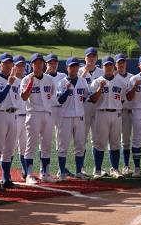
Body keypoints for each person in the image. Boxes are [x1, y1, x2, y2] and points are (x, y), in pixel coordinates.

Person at [20, 53, 58, 185]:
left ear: (43, 63)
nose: (38, 64)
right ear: (31, 65)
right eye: (35, 62)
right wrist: (31, 83)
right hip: (33, 114)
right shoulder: (26, 79)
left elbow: (51, 93)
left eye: (40, 62)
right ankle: (29, 175)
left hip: (47, 114)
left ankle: (45, 174)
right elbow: (24, 97)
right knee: (31, 145)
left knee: (47, 145)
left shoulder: (48, 79)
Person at [89, 56, 127, 179]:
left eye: (111, 65)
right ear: (102, 67)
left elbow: (122, 99)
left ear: (113, 66)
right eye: (106, 65)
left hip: (116, 113)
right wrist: (100, 87)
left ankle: (114, 169)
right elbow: (94, 99)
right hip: (101, 112)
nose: (109, 67)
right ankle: (98, 170)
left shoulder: (120, 82)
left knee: (115, 142)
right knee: (99, 143)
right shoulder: (96, 81)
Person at [0, 53, 21, 192]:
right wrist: (9, 84)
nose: (8, 65)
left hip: (13, 114)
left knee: (9, 150)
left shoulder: (15, 80)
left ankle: (6, 179)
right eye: (5, 62)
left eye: (10, 62)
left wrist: (12, 82)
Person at [55, 57, 90, 180]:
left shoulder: (82, 82)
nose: (74, 68)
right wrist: (67, 90)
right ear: (67, 68)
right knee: (63, 145)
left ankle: (79, 172)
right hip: (65, 116)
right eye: (72, 66)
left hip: (79, 116)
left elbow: (85, 96)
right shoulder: (61, 82)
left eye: (76, 66)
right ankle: (62, 173)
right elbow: (60, 100)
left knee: (80, 145)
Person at [81, 47, 104, 172]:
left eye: (93, 56)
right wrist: (84, 72)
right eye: (89, 56)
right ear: (84, 58)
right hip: (84, 105)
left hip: (98, 106)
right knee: (82, 137)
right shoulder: (78, 71)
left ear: (96, 58)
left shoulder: (101, 72)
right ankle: (81, 167)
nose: (91, 58)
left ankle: (97, 168)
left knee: (97, 137)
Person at [45, 53, 66, 177]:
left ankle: (61, 168)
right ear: (46, 64)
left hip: (61, 109)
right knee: (46, 139)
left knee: (61, 139)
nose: (53, 65)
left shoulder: (63, 76)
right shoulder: (43, 77)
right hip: (49, 109)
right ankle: (44, 169)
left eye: (55, 63)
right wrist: (46, 72)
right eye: (50, 63)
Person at [114, 54, 134, 176]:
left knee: (126, 140)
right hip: (115, 111)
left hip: (127, 110)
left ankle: (126, 165)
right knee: (114, 139)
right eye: (118, 62)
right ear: (115, 64)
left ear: (126, 63)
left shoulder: (132, 78)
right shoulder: (112, 78)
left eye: (123, 62)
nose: (121, 64)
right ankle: (114, 166)